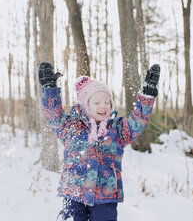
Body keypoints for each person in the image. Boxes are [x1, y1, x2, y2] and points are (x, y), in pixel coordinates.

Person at [38, 62, 160, 221]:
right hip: (74, 194)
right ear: (85, 105)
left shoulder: (117, 129)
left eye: (107, 102)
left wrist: (147, 96)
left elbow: (137, 123)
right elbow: (54, 116)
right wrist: (49, 89)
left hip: (105, 195)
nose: (104, 106)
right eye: (97, 103)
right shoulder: (71, 127)